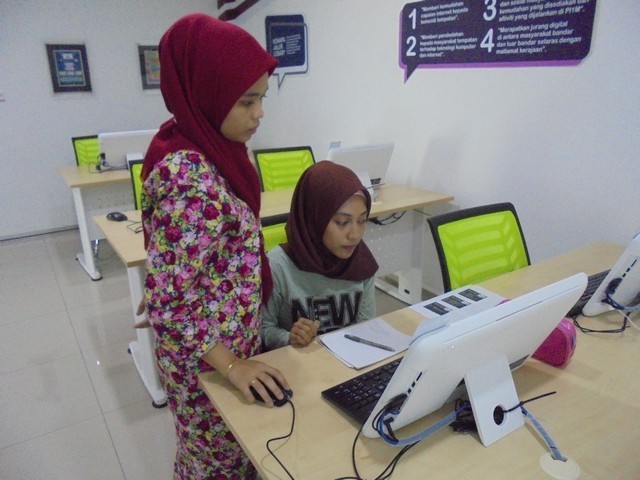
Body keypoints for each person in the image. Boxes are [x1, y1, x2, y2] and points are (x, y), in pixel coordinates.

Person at [140, 13, 289, 479]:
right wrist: (232, 366)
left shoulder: (203, 143)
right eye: (247, 101)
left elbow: (181, 264)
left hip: (221, 343)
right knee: (216, 464)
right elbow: (169, 303)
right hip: (207, 359)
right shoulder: (191, 181)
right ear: (206, 93)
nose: (259, 114)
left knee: (228, 456)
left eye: (262, 98)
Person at [262, 161, 379, 350]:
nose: (355, 235)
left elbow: (365, 326)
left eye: (362, 220)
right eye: (342, 222)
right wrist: (289, 338)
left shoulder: (362, 261)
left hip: (346, 359)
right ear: (314, 219)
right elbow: (263, 330)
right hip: (296, 362)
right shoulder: (277, 266)